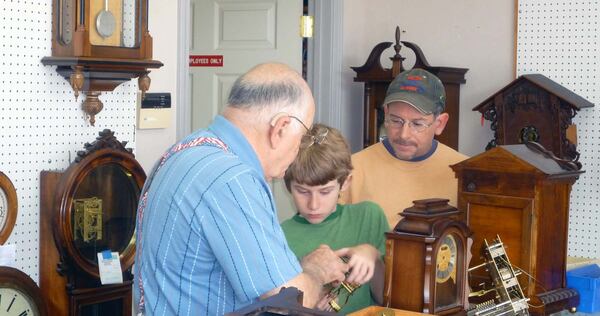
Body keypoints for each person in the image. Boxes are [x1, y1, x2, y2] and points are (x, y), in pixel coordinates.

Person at [133, 63, 349, 316]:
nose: (299, 149)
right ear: (280, 128)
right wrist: (316, 271)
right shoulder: (233, 180)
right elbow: (287, 301)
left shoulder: (181, 152)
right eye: (303, 138)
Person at [281, 123, 389, 314]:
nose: (314, 204)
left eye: (325, 192)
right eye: (302, 191)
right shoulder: (279, 235)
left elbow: (386, 299)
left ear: (345, 182)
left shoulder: (369, 217)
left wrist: (373, 256)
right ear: (288, 185)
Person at [340, 68, 468, 227]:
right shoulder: (352, 168)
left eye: (417, 124)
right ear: (386, 113)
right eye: (396, 121)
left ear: (440, 123)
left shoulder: (466, 173)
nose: (404, 135)